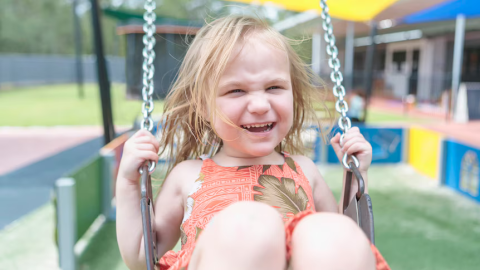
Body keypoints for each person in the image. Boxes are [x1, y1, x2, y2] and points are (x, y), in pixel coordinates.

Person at [116, 15, 390, 270]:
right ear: (202, 105)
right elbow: (143, 257)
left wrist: (356, 179)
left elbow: (349, 247)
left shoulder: (305, 170)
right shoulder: (187, 176)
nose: (260, 105)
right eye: (236, 90)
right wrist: (129, 182)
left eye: (274, 87)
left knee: (333, 232)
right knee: (248, 226)